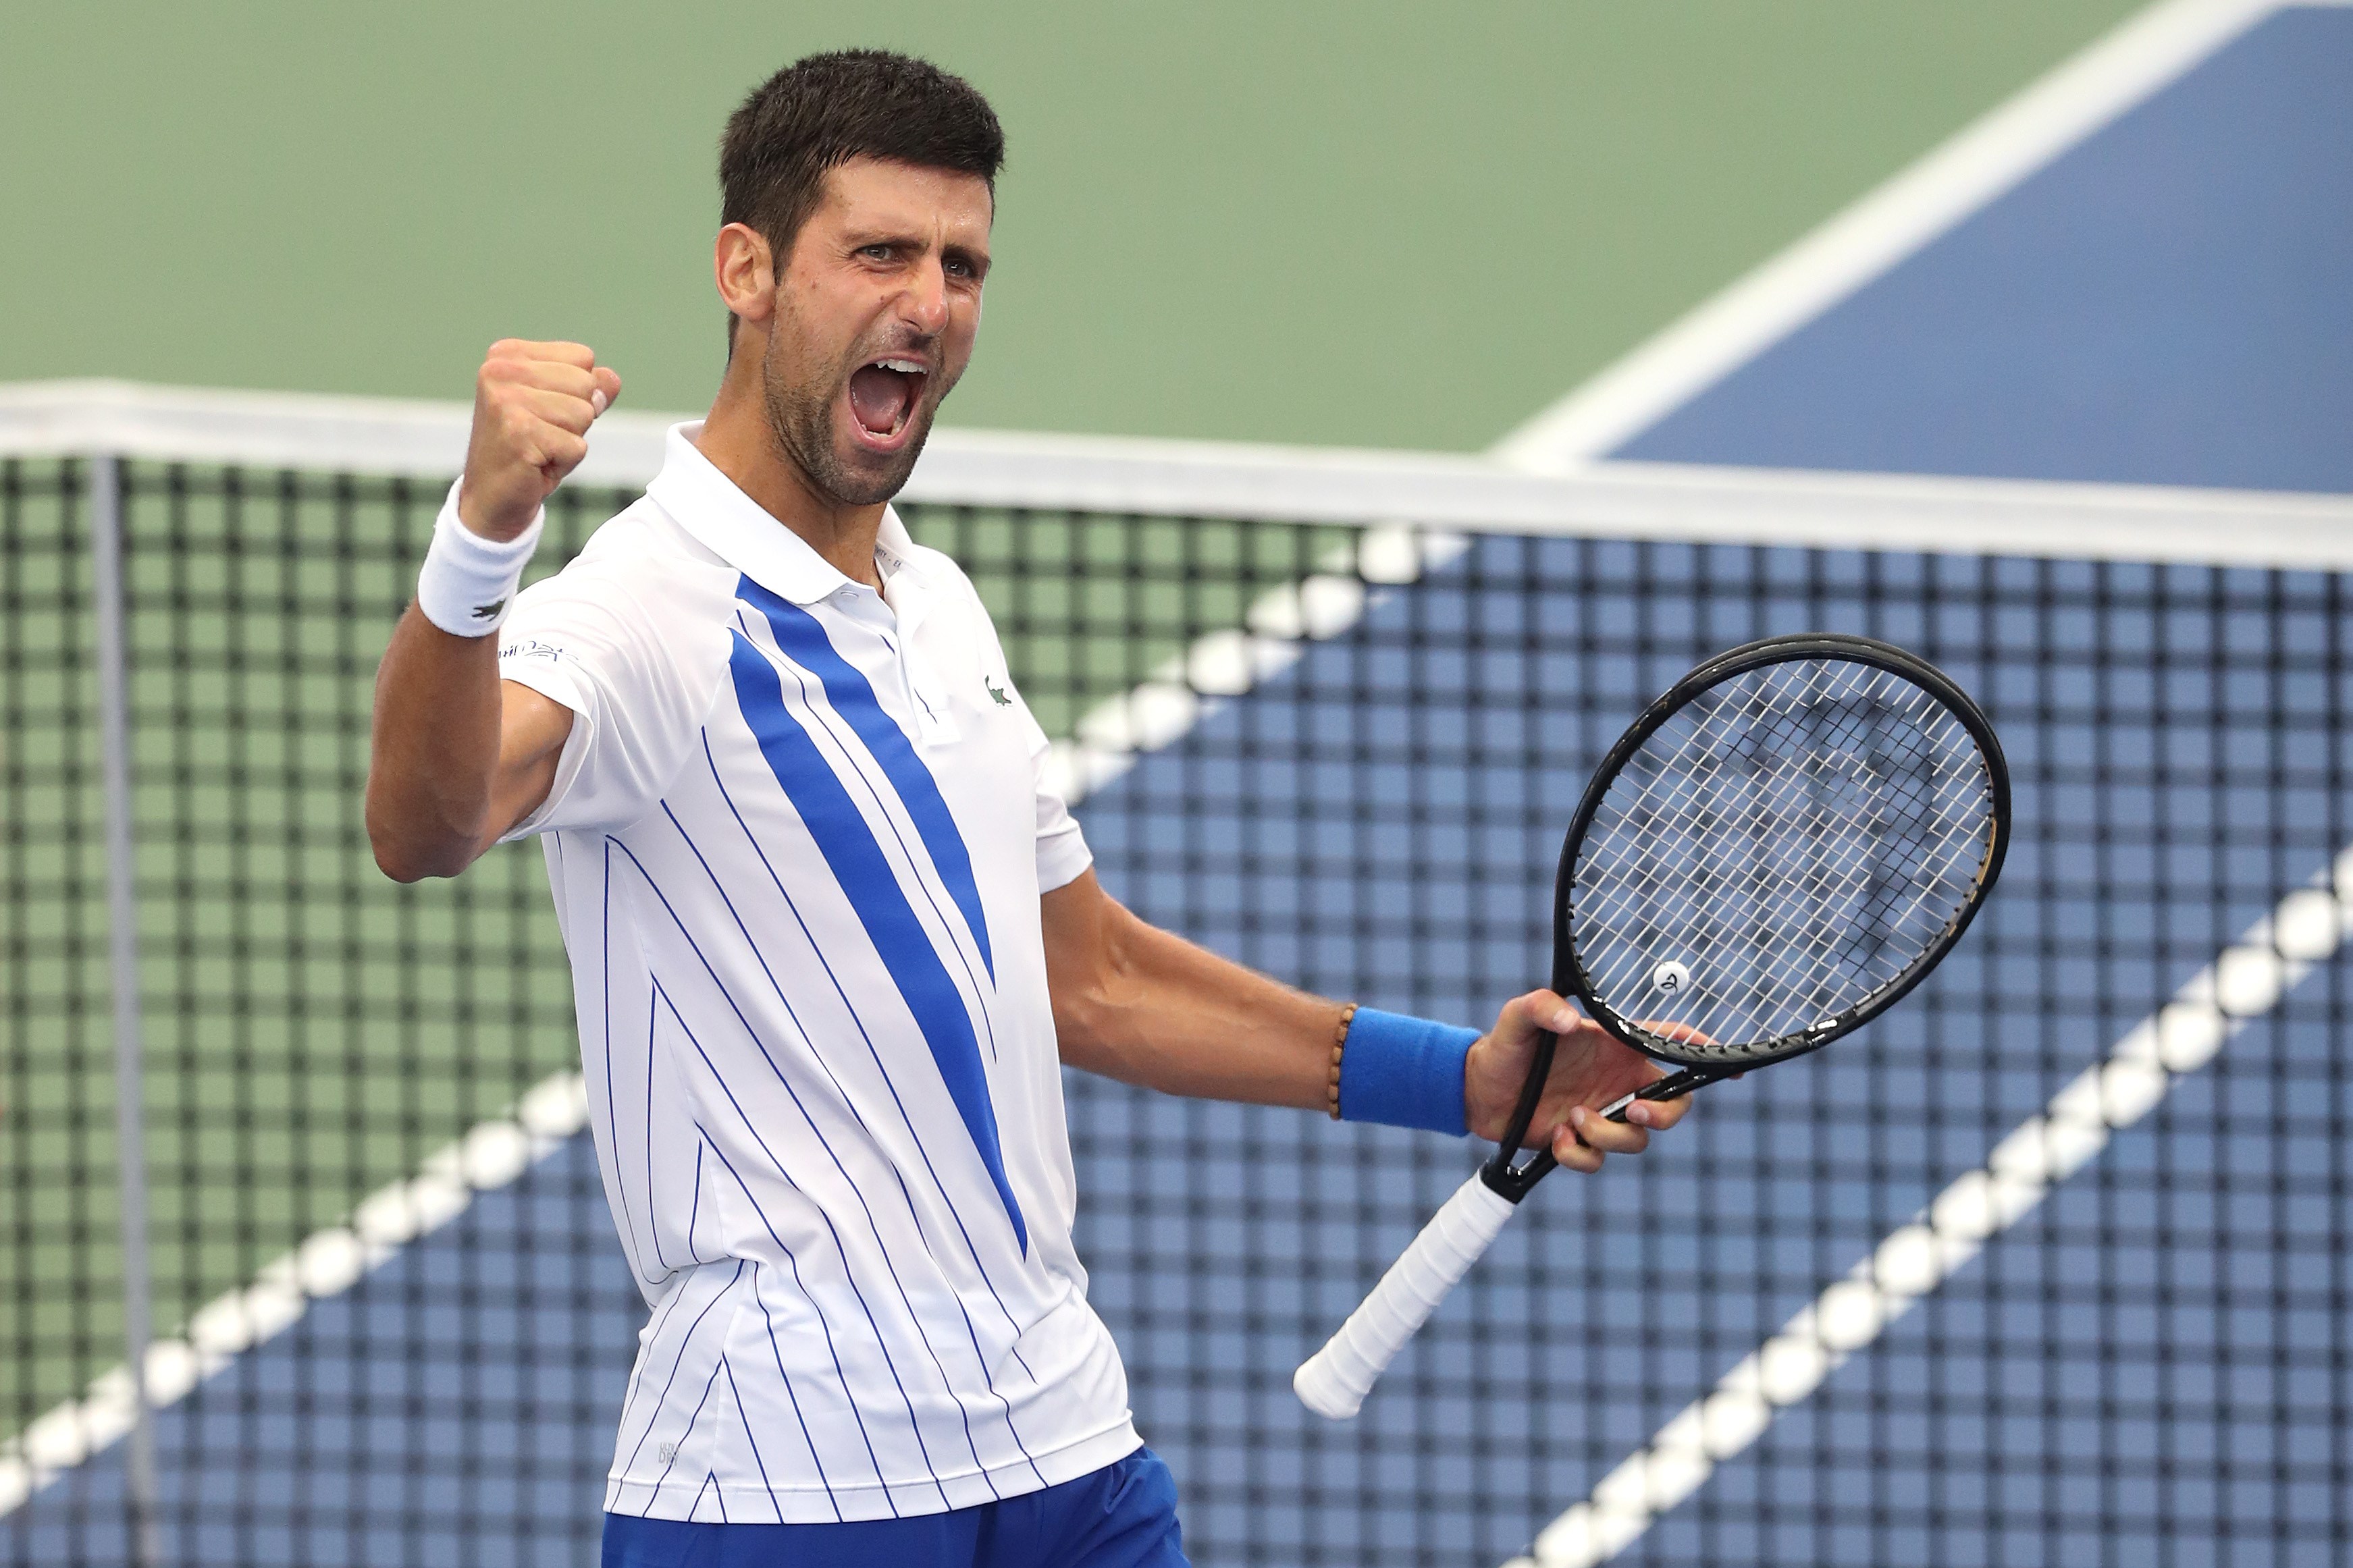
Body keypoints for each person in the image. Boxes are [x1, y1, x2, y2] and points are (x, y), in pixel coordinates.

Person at [365, 49, 1688, 1568]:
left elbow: (1092, 976)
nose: (928, 302)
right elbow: (427, 823)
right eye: (879, 253)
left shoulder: (934, 606)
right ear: (746, 269)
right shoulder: (642, 614)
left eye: (962, 264)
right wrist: (482, 540)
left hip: (1063, 1445)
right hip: (793, 1481)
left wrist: (1462, 1081)